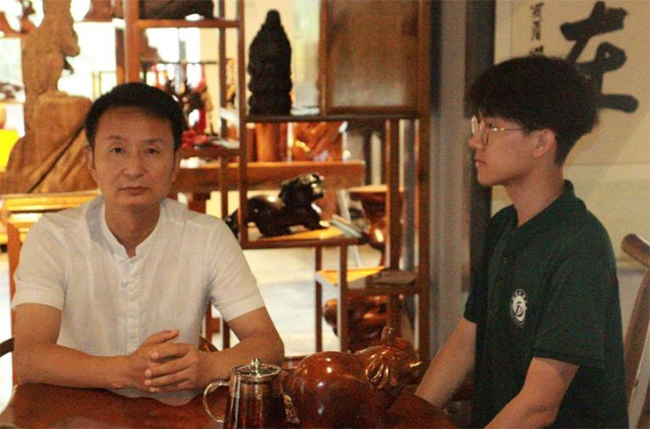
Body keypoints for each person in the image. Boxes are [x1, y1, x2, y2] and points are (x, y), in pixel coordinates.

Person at [12, 82, 284, 404]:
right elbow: (30, 357)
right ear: (91, 161)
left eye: (152, 151)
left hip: (174, 416)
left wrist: (210, 366)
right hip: (74, 413)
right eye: (117, 150)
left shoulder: (207, 236)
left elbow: (267, 344)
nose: (134, 169)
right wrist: (126, 371)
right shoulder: (53, 237)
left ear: (176, 162)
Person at [415, 55, 629, 428]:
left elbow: (538, 406)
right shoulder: (504, 226)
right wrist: (406, 419)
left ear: (542, 141)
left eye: (492, 127)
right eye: (478, 124)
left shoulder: (579, 248)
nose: (475, 141)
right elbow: (465, 343)